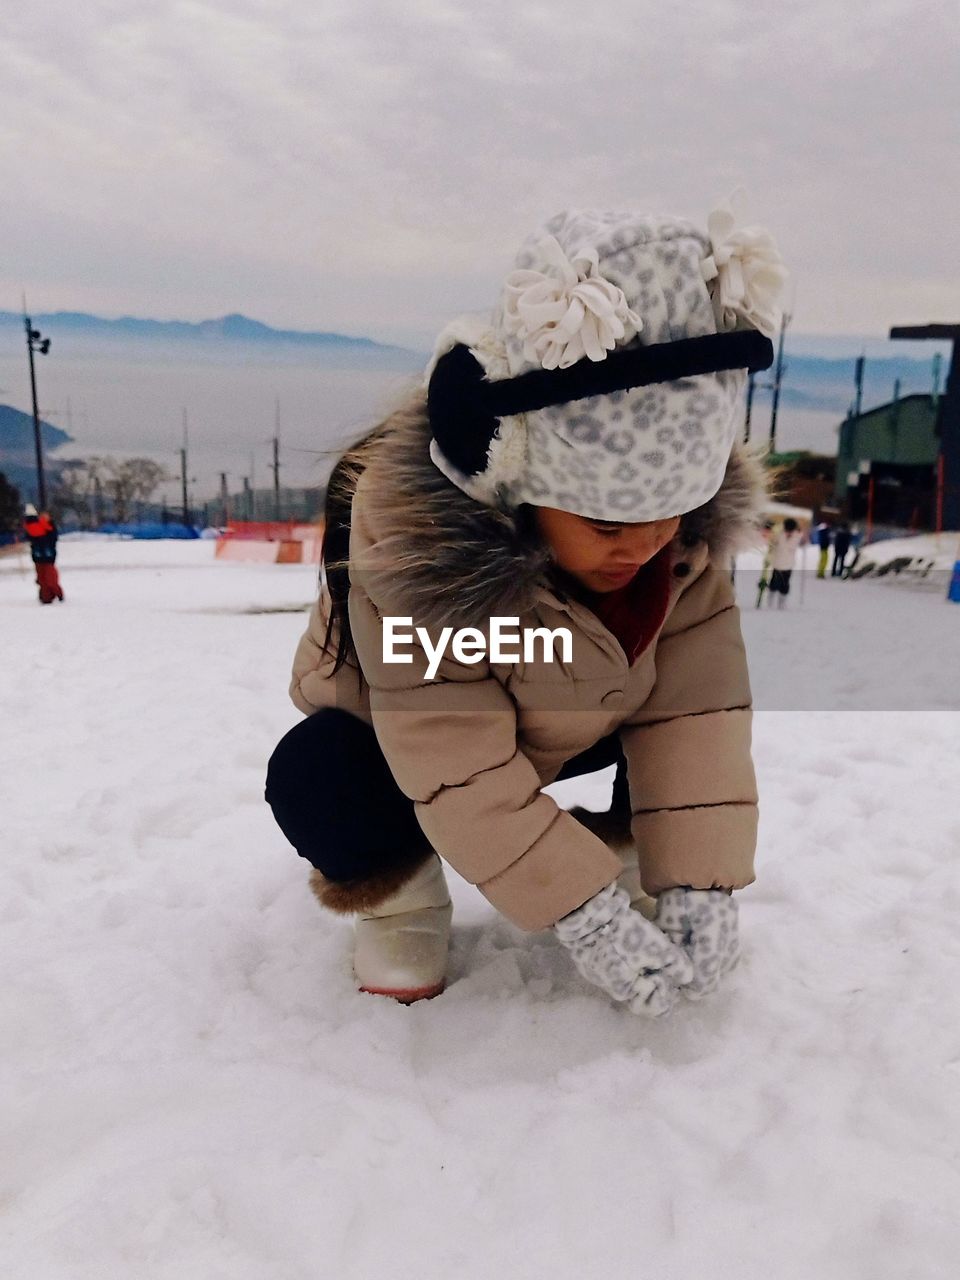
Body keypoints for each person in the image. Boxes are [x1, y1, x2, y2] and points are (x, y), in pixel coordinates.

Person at [266, 200, 787, 1016]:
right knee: (321, 776)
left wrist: (698, 885)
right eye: (610, 523)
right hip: (398, 742)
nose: (646, 546)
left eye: (673, 514)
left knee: (668, 727)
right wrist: (580, 914)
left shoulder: (678, 544)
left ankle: (618, 853)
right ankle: (404, 896)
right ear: (517, 484)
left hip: (566, 712)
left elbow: (697, 714)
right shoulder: (416, 545)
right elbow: (452, 750)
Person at [23, 503, 64, 604]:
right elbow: (30, 536)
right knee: (42, 578)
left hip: (47, 556)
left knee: (50, 578)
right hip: (39, 556)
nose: (44, 517)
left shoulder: (49, 527)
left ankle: (56, 594)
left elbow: (52, 538)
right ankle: (46, 597)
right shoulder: (37, 526)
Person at [766, 518, 803, 607]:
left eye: (790, 530)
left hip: (788, 564)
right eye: (787, 530)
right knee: (774, 582)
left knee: (785, 584)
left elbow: (803, 540)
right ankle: (770, 599)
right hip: (777, 563)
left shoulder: (797, 536)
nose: (788, 532)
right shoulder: (779, 535)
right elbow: (772, 543)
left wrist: (804, 539)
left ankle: (782, 601)